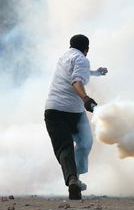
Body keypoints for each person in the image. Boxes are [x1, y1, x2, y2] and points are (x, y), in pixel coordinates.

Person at [44, 34, 108, 200]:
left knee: (65, 148)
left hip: (53, 110)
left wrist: (96, 73)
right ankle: (75, 178)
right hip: (73, 112)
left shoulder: (64, 57)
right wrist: (86, 99)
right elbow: (76, 81)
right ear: (86, 49)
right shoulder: (82, 59)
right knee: (85, 143)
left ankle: (73, 179)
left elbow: (76, 73)